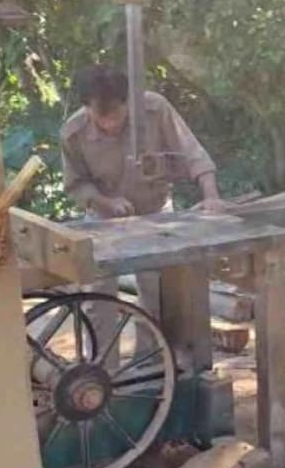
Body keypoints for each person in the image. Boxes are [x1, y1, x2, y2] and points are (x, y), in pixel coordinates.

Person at [60, 65, 223, 362]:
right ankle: (101, 372)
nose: (109, 124)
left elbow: (192, 152)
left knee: (157, 294)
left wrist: (211, 196)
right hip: (103, 222)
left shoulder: (155, 109)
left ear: (128, 102)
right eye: (101, 117)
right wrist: (104, 201)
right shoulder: (74, 132)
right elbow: (76, 183)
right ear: (87, 108)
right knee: (98, 297)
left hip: (155, 213)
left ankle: (150, 366)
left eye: (116, 115)